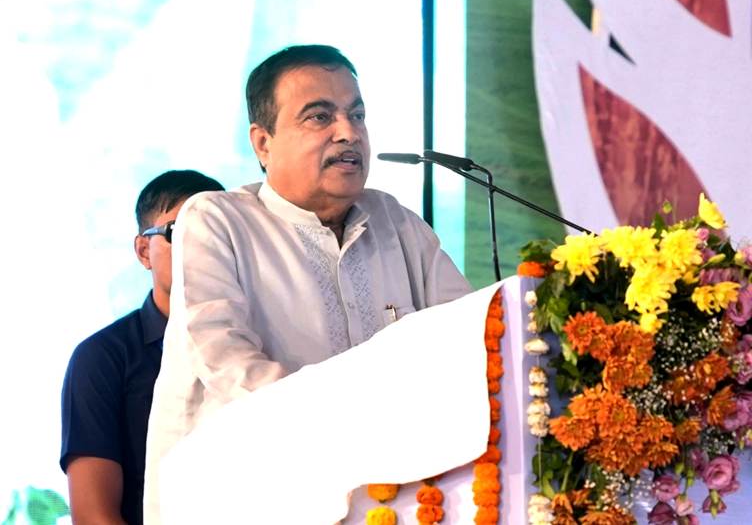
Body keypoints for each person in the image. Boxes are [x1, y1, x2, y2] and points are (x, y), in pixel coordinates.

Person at [144, 45, 473, 523]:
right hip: (246, 501)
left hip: (385, 501)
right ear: (263, 143)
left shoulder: (397, 223)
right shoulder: (217, 220)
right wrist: (353, 425)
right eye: (320, 117)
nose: (349, 133)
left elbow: (467, 342)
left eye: (357, 115)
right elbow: (228, 364)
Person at [60, 170, 224, 525]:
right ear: (143, 251)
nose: (201, 247)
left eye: (216, 232)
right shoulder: (102, 358)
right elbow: (93, 516)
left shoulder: (261, 341)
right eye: (178, 232)